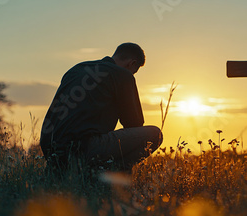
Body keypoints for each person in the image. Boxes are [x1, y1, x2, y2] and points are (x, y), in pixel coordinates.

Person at [40, 43, 162, 172]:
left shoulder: (77, 68)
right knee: (155, 134)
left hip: (50, 149)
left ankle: (72, 174)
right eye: (134, 72)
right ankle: (108, 177)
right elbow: (134, 124)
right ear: (131, 63)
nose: (132, 75)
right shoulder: (122, 75)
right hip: (83, 148)